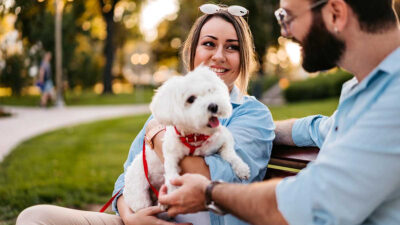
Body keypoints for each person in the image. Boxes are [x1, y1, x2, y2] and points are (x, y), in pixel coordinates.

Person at [16, 4, 275, 225]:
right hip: (138, 218)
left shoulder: (253, 115)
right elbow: (127, 175)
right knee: (35, 217)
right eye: (209, 44)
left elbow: (214, 180)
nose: (219, 56)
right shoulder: (173, 104)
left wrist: (157, 136)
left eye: (232, 47)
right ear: (192, 52)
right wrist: (131, 217)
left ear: (243, 58)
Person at [157, 0, 400, 225]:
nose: (285, 33)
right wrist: (265, 129)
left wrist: (210, 193)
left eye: (287, 17)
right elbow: (317, 128)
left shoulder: (393, 102)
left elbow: (306, 205)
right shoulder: (367, 90)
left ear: (335, 13)